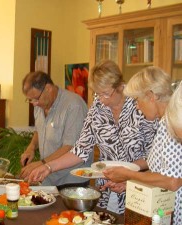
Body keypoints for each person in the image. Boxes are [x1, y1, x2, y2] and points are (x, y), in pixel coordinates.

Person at [27, 61, 158, 214]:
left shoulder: (141, 106)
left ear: (120, 86)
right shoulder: (97, 108)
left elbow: (153, 156)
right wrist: (48, 167)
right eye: (97, 93)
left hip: (138, 187)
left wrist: (127, 174)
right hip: (107, 186)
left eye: (105, 93)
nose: (101, 99)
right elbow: (80, 150)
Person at [103, 67, 181, 224]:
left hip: (174, 213)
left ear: (151, 96)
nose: (137, 107)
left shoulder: (172, 125)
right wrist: (130, 183)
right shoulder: (163, 123)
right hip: (164, 209)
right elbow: (161, 169)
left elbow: (173, 181)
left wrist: (128, 175)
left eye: (138, 100)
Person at [20, 71, 90, 187]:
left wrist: (41, 163)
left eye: (36, 99)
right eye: (30, 100)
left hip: (71, 179)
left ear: (48, 88)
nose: (34, 104)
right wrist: (31, 148)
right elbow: (40, 130)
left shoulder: (73, 105)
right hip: (49, 177)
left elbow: (70, 147)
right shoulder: (39, 105)